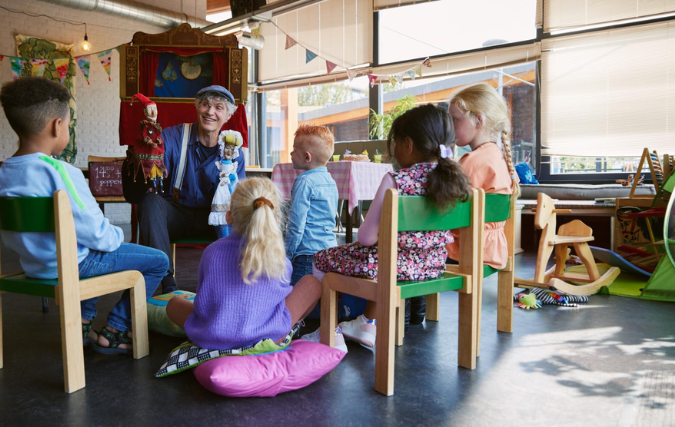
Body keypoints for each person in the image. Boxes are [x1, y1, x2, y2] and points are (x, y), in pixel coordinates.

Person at [0, 77, 169, 355]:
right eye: (68, 125)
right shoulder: (61, 171)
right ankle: (115, 330)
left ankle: (81, 323)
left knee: (89, 251)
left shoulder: (5, 172)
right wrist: (117, 234)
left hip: (33, 265)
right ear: (57, 126)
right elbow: (99, 235)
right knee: (156, 261)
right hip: (72, 266)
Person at [305, 104, 473, 349]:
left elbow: (365, 238)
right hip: (433, 265)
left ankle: (329, 332)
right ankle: (366, 323)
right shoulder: (458, 181)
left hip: (389, 266)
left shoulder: (396, 180)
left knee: (320, 259)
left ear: (408, 144)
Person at [165, 178, 342, 351]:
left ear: (229, 216)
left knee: (173, 303)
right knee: (312, 283)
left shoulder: (211, 252)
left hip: (211, 336)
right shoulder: (279, 258)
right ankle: (289, 331)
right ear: (276, 218)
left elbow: (203, 300)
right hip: (267, 336)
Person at [132, 85, 246, 294]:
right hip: (177, 213)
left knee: (244, 212)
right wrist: (145, 154)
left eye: (218, 107)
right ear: (197, 108)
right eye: (205, 105)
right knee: (150, 202)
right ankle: (167, 285)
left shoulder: (233, 149)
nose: (210, 112)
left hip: (214, 219)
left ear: (228, 115)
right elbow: (151, 175)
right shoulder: (172, 137)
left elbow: (238, 196)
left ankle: (229, 286)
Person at [446, 83, 520, 270]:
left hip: (464, 249)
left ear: (478, 121)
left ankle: (414, 300)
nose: (450, 126)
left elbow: (447, 210)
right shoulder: (497, 156)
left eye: (455, 120)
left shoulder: (473, 161)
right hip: (492, 249)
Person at [285, 124, 339, 288]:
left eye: (294, 150)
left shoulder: (304, 182)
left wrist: (287, 255)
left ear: (307, 157)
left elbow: (296, 224)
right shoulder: (330, 181)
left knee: (298, 301)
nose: (291, 153)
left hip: (306, 255)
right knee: (322, 296)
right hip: (328, 251)